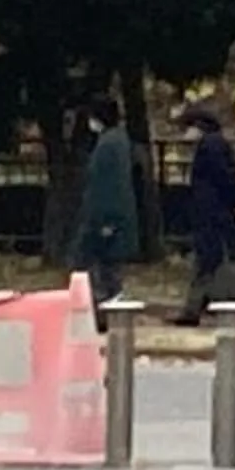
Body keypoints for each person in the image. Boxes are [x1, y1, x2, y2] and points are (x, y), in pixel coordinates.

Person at [173, 105, 235, 326]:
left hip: (213, 214)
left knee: (209, 261)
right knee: (216, 262)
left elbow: (224, 178)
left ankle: (195, 310)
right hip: (217, 213)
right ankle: (203, 307)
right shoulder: (215, 144)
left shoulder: (210, 146)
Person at [77, 96, 141, 322]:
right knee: (107, 268)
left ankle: (103, 313)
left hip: (105, 218)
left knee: (100, 268)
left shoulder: (108, 145)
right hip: (112, 216)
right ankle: (106, 311)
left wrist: (106, 221)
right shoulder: (118, 141)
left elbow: (107, 185)